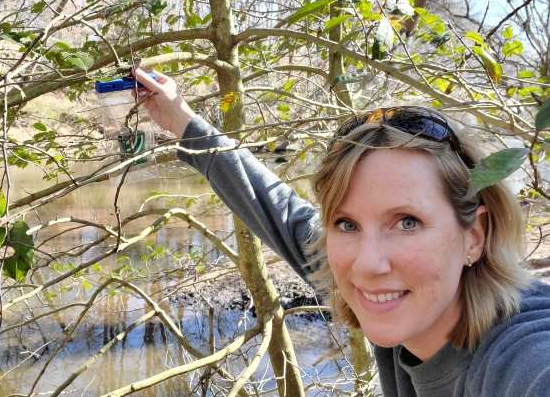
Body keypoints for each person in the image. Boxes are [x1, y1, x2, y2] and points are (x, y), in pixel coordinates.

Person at [133, 69, 550, 396]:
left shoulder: (519, 357)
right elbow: (275, 209)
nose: (366, 265)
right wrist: (180, 117)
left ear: (474, 236)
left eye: (407, 222)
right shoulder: (397, 295)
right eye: (346, 224)